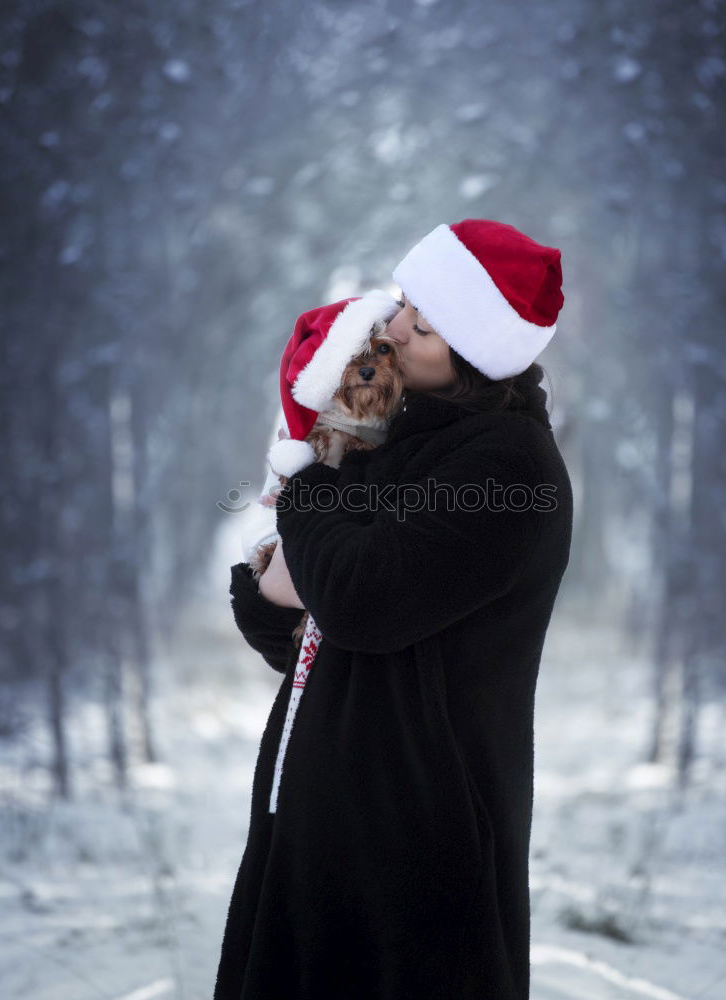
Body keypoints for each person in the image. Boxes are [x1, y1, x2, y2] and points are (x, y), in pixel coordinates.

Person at [214, 218, 573, 1000]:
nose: (395, 327)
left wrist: (308, 478)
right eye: (406, 303)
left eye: (427, 323)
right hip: (324, 822)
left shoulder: (507, 467)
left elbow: (359, 603)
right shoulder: (402, 440)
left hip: (414, 842)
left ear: (478, 352)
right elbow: (301, 627)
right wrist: (277, 576)